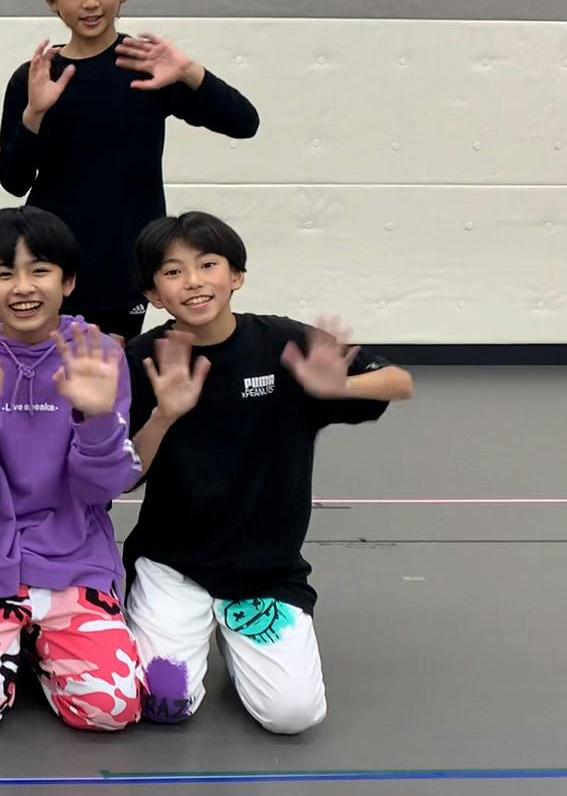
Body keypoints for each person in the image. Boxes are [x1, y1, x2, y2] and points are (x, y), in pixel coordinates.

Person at [123, 211, 415, 734]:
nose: (192, 281)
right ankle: (188, 621)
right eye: (172, 271)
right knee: (164, 703)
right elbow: (125, 477)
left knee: (293, 716)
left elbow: (397, 381)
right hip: (172, 562)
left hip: (265, 572)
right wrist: (164, 415)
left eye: (207, 264)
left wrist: (338, 387)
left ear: (236, 275)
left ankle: (238, 639)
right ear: (153, 294)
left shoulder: (283, 343)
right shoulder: (144, 359)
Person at [0, 207, 144, 733]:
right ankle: (11, 641)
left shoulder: (98, 355)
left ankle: (40, 644)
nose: (23, 287)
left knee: (110, 712)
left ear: (68, 281)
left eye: (39, 270)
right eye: (5, 274)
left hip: (73, 560)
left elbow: (103, 486)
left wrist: (95, 417)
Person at [0, 0, 260, 342]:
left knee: (112, 368)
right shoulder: (35, 76)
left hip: (127, 259)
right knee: (47, 368)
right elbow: (14, 181)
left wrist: (190, 72)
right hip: (51, 258)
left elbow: (244, 123)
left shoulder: (146, 64)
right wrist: (34, 114)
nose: (91, 2)